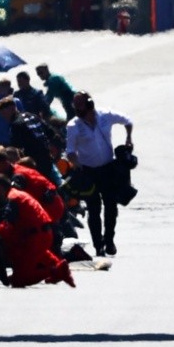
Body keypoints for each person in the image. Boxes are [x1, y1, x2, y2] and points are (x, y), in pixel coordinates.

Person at [66, 91, 133, 257]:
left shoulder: (105, 115)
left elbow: (128, 121)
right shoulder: (73, 126)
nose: (77, 108)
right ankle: (98, 246)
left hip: (108, 169)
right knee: (94, 210)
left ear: (89, 103)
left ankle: (109, 239)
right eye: (75, 105)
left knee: (111, 207)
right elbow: (70, 151)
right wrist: (76, 163)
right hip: (88, 171)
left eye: (80, 104)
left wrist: (129, 138)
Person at [0, 173, 75, 288]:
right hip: (40, 234)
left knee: (18, 280)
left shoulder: (13, 198)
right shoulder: (16, 194)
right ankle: (58, 265)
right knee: (20, 249)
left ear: (0, 188)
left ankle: (55, 270)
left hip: (37, 236)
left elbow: (8, 223)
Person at [0, 146, 65, 224]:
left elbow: (15, 203)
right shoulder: (13, 171)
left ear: (5, 161)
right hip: (45, 210)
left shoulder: (18, 176)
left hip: (50, 212)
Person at [1, 97, 57, 177]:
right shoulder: (32, 116)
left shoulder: (16, 125)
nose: (4, 116)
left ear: (12, 108)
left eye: (4, 113)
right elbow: (51, 133)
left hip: (34, 161)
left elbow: (16, 147)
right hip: (47, 156)